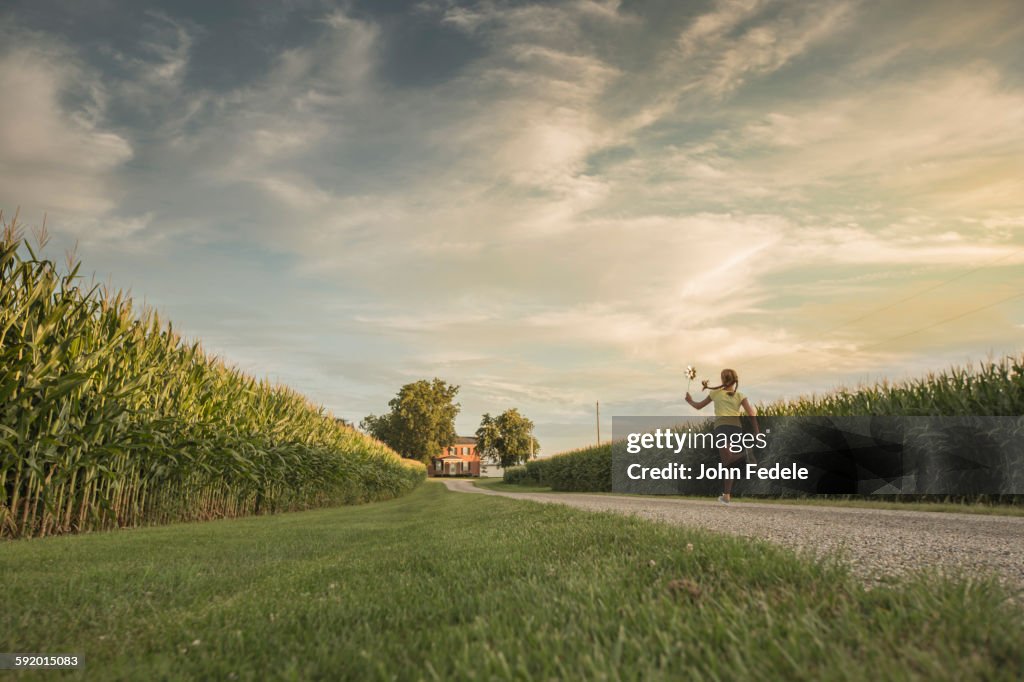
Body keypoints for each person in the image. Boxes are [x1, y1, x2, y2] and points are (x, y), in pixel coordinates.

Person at [685, 368, 760, 504]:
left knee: (728, 461)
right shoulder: (740, 395)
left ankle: (746, 454)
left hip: (722, 428)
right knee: (729, 464)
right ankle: (726, 496)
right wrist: (757, 432)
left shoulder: (715, 393)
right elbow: (751, 414)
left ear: (722, 380)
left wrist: (689, 400)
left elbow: (698, 406)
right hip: (736, 428)